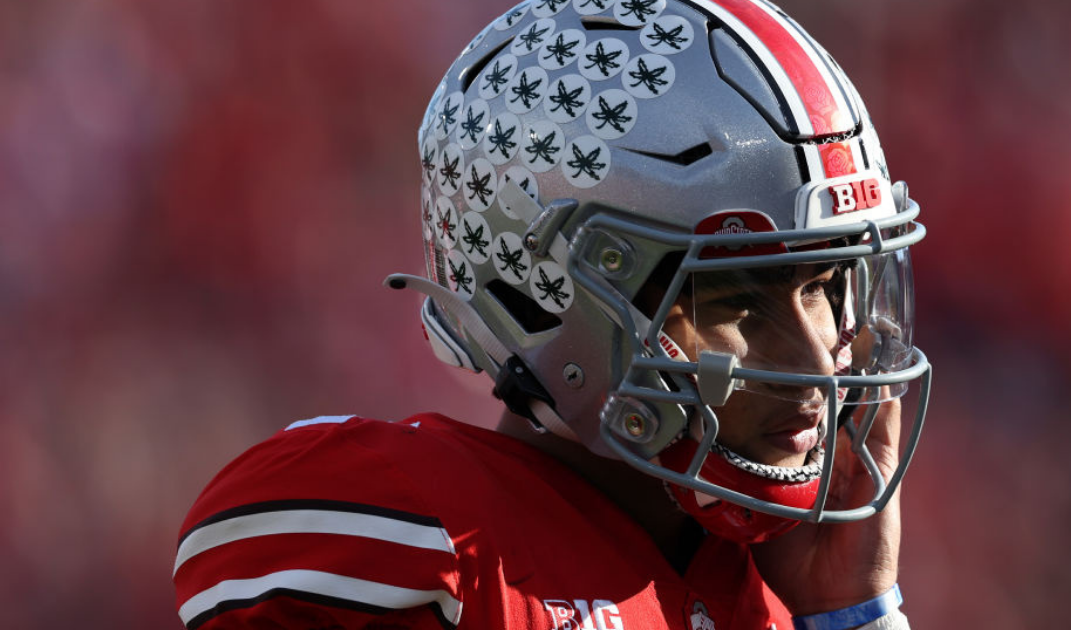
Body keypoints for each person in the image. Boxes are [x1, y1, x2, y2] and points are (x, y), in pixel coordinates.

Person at [172, 0, 932, 628]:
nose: (814, 362)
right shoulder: (426, 536)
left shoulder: (788, 596)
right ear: (550, 294)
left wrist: (852, 613)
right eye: (735, 300)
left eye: (825, 287)